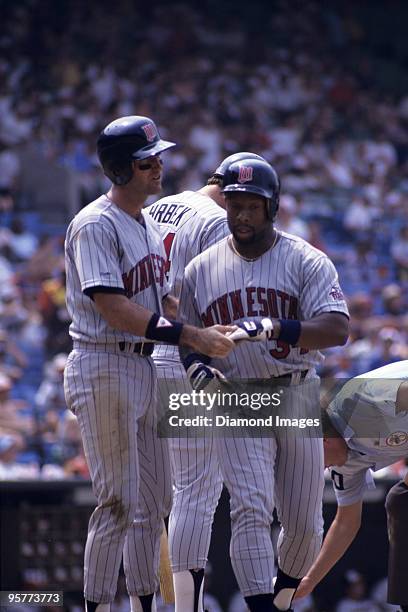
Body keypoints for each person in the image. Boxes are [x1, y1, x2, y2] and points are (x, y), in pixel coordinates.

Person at [63, 115, 235, 612]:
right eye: (146, 161)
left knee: (154, 505)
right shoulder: (95, 223)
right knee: (117, 503)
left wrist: (207, 330)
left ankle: (142, 604)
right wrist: (189, 334)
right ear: (121, 169)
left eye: (158, 157)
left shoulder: (147, 220)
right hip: (104, 363)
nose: (158, 166)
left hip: (143, 366)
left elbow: (165, 307)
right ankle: (96, 605)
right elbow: (114, 308)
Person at [175, 157, 349, 612]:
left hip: (295, 388)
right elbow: (189, 337)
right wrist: (195, 368)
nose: (243, 216)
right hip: (238, 393)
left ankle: (281, 599)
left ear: (272, 207)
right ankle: (259, 607)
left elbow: (335, 329)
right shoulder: (200, 269)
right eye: (235, 205)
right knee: (250, 509)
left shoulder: (305, 258)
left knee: (305, 524)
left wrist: (273, 326)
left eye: (253, 206)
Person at [147, 151, 265, 612]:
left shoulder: (157, 207)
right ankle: (182, 608)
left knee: (154, 502)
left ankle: (150, 605)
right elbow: (224, 304)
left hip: (147, 352)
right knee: (196, 490)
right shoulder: (217, 221)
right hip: (187, 357)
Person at [295, 360, 408, 611]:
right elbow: (346, 522)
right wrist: (308, 581)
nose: (321, 470)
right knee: (401, 501)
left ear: (322, 441)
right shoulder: (343, 464)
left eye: (314, 462)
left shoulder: (362, 400)